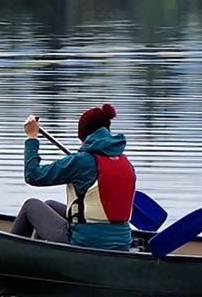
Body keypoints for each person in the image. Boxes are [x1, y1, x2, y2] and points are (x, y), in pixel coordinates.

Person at [10, 104, 136, 251]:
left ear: (85, 136)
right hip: (122, 242)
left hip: (87, 243)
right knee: (49, 205)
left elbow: (33, 175)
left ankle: (8, 256)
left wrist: (32, 138)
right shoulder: (126, 163)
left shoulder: (82, 161)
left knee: (30, 205)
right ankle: (43, 254)